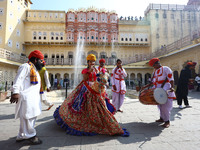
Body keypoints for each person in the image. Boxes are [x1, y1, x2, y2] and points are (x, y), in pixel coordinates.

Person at [53, 54, 129, 137]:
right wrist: (89, 71)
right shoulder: (85, 70)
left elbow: (99, 78)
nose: (92, 63)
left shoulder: (96, 70)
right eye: (91, 61)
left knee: (100, 107)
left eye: (93, 61)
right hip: (87, 89)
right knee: (82, 105)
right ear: (88, 62)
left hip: (95, 90)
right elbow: (85, 79)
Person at [10, 50, 44, 144]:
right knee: (27, 117)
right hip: (27, 98)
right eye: (41, 60)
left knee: (29, 117)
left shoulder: (34, 69)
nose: (42, 63)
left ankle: (21, 135)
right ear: (36, 60)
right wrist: (15, 92)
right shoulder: (25, 66)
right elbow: (18, 79)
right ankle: (31, 135)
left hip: (33, 98)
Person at [142, 58, 176, 128]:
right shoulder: (154, 72)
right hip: (157, 89)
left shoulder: (166, 69)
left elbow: (171, 79)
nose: (153, 67)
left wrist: (171, 87)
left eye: (153, 66)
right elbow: (152, 82)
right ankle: (162, 118)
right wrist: (144, 87)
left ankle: (167, 121)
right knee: (159, 105)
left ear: (157, 64)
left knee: (165, 106)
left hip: (165, 88)